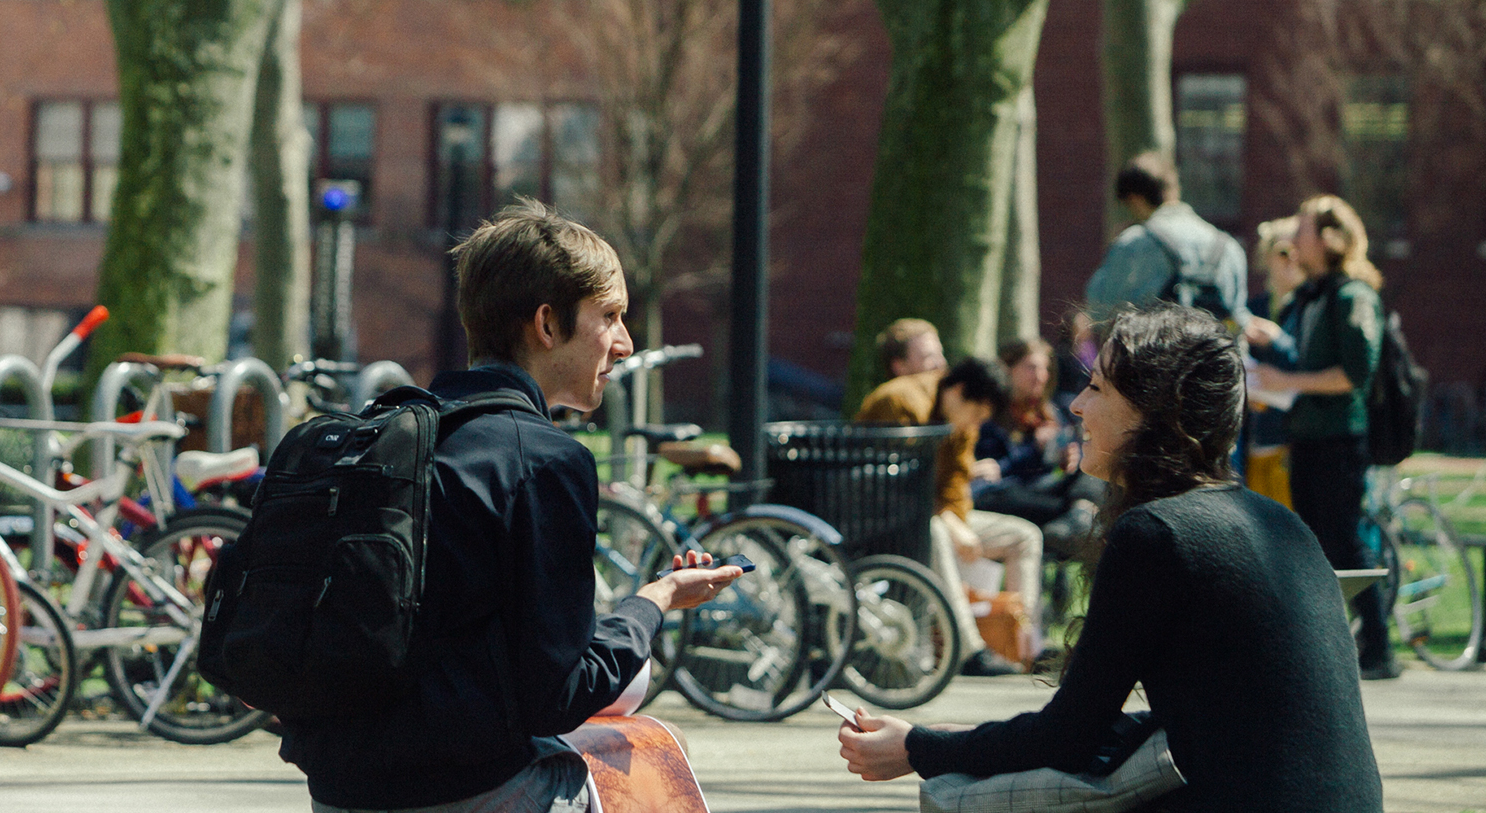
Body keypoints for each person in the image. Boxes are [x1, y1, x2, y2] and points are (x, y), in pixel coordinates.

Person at [279, 199, 744, 812]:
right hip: (468, 792)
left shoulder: (385, 437)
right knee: (660, 751)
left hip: (339, 791)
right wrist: (653, 603)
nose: (626, 344)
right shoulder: (544, 459)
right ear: (548, 325)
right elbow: (561, 692)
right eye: (610, 316)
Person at [838, 303, 1384, 813]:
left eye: (1096, 387)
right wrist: (956, 737)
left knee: (951, 793)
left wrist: (918, 749)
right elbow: (1193, 719)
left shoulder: (1157, 533)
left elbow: (1070, 736)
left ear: (1152, 411)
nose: (1076, 404)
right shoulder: (1281, 525)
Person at [1244, 195, 1397, 680]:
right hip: (1306, 438)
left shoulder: (1352, 296)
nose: (1294, 237)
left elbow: (1355, 374)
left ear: (1331, 240)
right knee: (1313, 545)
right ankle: (1328, 649)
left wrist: (1288, 383)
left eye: (1304, 229)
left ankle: (1378, 650)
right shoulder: (1311, 295)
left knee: (1347, 541)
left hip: (1339, 440)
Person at [857, 354, 1044, 676]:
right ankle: (967, 648)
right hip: (884, 515)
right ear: (956, 390)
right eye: (974, 413)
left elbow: (956, 483)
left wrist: (957, 522)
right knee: (937, 531)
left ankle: (1024, 644)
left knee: (1025, 536)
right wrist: (952, 525)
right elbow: (900, 486)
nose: (974, 424)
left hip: (936, 514)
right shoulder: (900, 402)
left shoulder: (962, 419)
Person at [974, 337, 1109, 557]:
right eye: (1031, 368)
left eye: (1045, 368)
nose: (1041, 376)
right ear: (1008, 369)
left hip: (1046, 488)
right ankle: (1072, 522)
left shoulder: (1049, 412)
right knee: (1057, 506)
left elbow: (1058, 466)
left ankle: (1076, 516)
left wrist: (1069, 458)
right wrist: (1034, 450)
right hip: (1010, 492)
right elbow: (994, 472)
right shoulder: (990, 414)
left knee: (1095, 467)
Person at [1085, 152, 1249, 327]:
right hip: (1216, 353)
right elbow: (1239, 319)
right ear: (1174, 189)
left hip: (1156, 353)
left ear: (1135, 200)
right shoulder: (1228, 246)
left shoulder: (1133, 243)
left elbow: (1099, 310)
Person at [1242, 216, 1302, 509]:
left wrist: (1277, 340)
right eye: (1282, 251)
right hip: (1258, 437)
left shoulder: (1309, 306)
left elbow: (1310, 364)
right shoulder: (1255, 307)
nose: (1290, 260)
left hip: (1294, 440)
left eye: (1296, 250)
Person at [876, 317, 947, 380]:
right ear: (899, 367)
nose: (941, 363)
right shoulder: (886, 395)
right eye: (928, 356)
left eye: (940, 354)